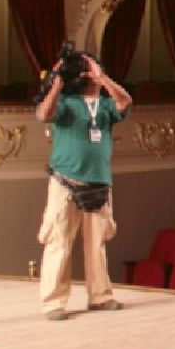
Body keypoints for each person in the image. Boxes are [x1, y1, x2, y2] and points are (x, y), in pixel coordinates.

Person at [34, 52, 133, 320]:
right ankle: (54, 302)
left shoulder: (105, 105)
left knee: (97, 243)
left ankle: (100, 296)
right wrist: (57, 82)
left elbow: (125, 101)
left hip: (98, 182)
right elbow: (44, 114)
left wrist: (103, 80)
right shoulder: (66, 103)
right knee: (59, 241)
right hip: (65, 181)